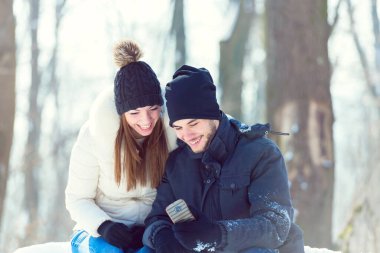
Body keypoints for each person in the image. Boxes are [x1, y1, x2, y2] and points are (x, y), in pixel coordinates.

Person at [142, 65, 305, 253]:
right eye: (178, 128)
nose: (186, 135)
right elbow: (156, 219)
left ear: (212, 115)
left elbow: (276, 224)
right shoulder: (175, 165)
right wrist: (162, 237)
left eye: (193, 123)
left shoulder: (260, 153)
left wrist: (218, 234)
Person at [65, 40, 168, 253]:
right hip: (96, 231)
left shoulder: (171, 136)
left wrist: (153, 227)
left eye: (153, 108)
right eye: (135, 113)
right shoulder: (94, 135)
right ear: (121, 113)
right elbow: (77, 199)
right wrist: (104, 226)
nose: (146, 120)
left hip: (147, 231)